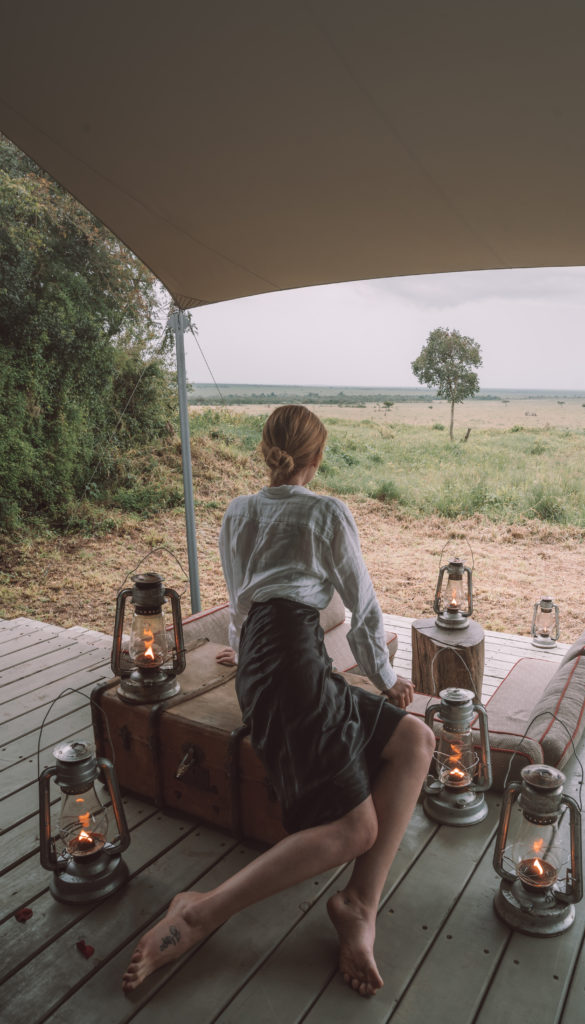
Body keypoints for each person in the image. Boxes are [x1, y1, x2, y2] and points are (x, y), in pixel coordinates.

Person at [122, 405, 434, 998]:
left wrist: (247, 654)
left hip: (282, 660)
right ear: (317, 459)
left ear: (268, 451)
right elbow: (363, 609)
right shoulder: (326, 512)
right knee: (354, 829)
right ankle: (202, 909)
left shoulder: (238, 512)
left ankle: (357, 906)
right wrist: (387, 676)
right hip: (290, 661)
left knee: (417, 741)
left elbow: (242, 600)